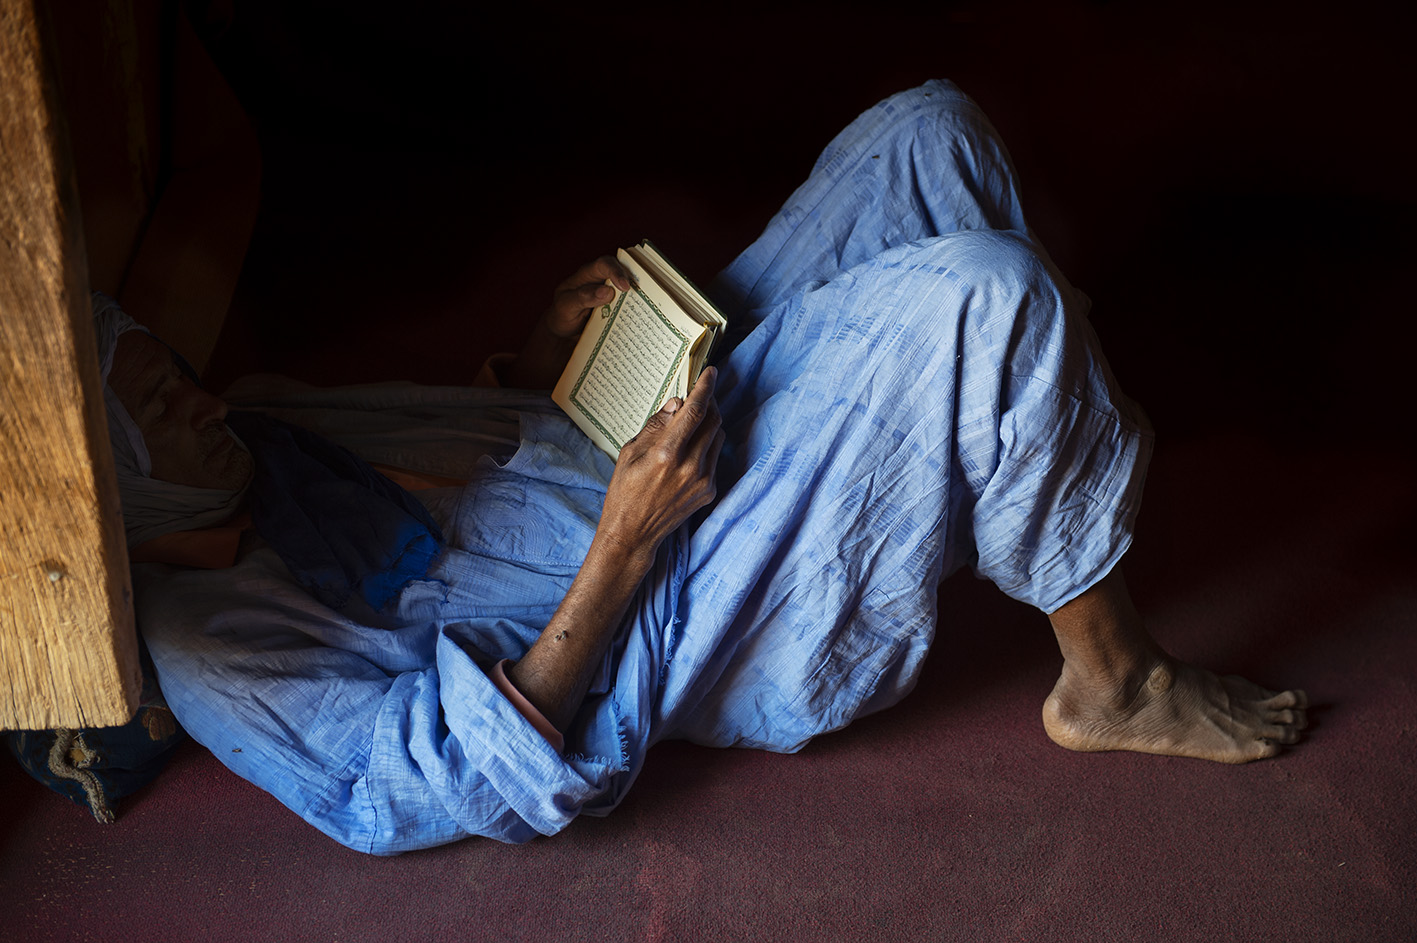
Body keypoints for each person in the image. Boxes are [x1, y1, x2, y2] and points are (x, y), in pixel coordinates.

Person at [99, 80, 1306, 854]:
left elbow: (452, 461)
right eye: (162, 410)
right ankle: (1113, 677)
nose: (199, 398)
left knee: (927, 133)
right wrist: (626, 538)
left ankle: (997, 455)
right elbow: (432, 787)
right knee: (989, 293)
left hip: (632, 450)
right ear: (116, 486)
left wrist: (534, 359)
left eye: (172, 369)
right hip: (679, 597)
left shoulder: (246, 421)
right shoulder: (212, 651)